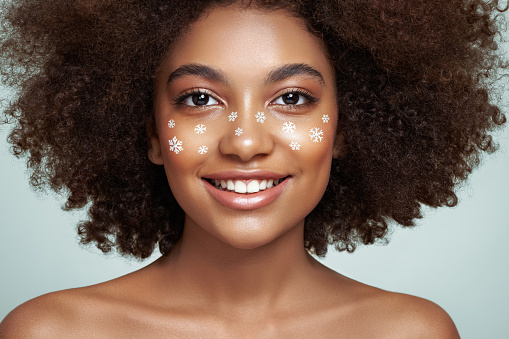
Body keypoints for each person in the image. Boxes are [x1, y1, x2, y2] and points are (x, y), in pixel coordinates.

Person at [0, 0, 506, 337]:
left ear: (346, 130)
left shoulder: (409, 333)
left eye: (292, 98)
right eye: (199, 98)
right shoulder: (52, 332)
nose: (245, 143)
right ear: (152, 132)